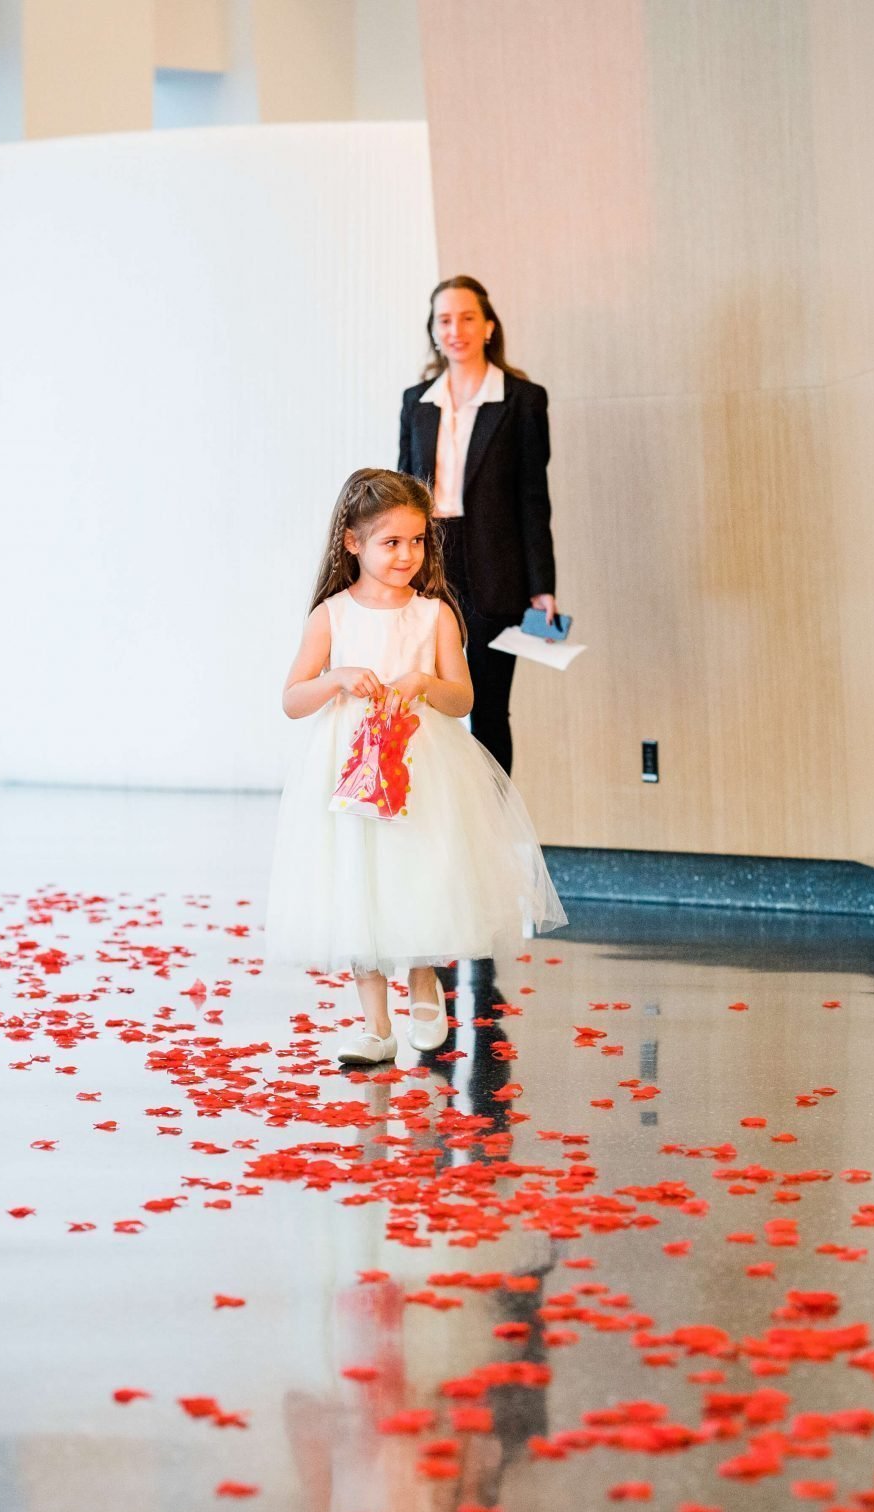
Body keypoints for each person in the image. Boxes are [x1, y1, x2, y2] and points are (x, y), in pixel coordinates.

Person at [268, 469, 564, 1064]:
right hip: (348, 772)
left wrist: (426, 683)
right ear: (352, 542)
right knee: (358, 880)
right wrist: (335, 679)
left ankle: (424, 978)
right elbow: (292, 699)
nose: (408, 555)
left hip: (419, 765)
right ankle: (375, 1027)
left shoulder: (434, 615)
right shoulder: (332, 615)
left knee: (416, 868)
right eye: (391, 542)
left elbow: (464, 700)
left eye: (417, 541)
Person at [396, 277, 555, 776]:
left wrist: (542, 588)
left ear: (488, 326)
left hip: (496, 564)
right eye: (445, 320)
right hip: (429, 561)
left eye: (467, 317)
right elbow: (401, 492)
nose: (456, 329)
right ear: (434, 330)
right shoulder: (416, 400)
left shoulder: (522, 400)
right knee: (421, 696)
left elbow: (534, 500)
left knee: (487, 707)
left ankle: (495, 827)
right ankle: (434, 819)